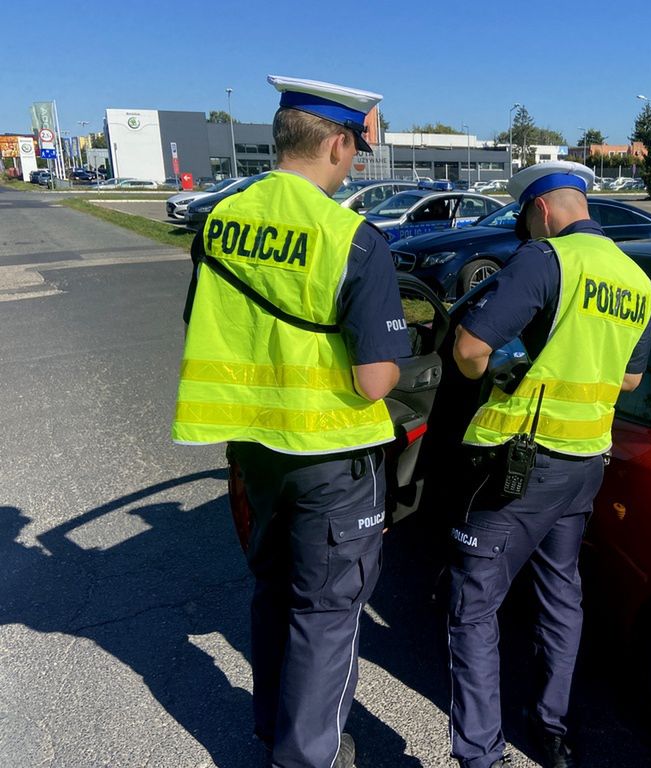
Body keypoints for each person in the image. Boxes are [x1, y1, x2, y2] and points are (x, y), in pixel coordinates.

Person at [172, 75, 410, 768]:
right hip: (332, 459)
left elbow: (204, 323)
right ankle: (306, 759)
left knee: (273, 593)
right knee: (327, 617)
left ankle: (271, 731)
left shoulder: (220, 223)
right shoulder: (352, 238)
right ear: (338, 143)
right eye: (356, 152)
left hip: (253, 449)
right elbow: (373, 381)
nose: (354, 167)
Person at [446, 161, 651, 768]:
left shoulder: (547, 260)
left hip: (521, 462)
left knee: (473, 604)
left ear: (540, 211)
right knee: (561, 593)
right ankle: (552, 729)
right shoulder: (634, 279)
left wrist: (490, 377)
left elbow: (468, 348)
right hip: (586, 461)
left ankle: (481, 754)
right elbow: (632, 376)